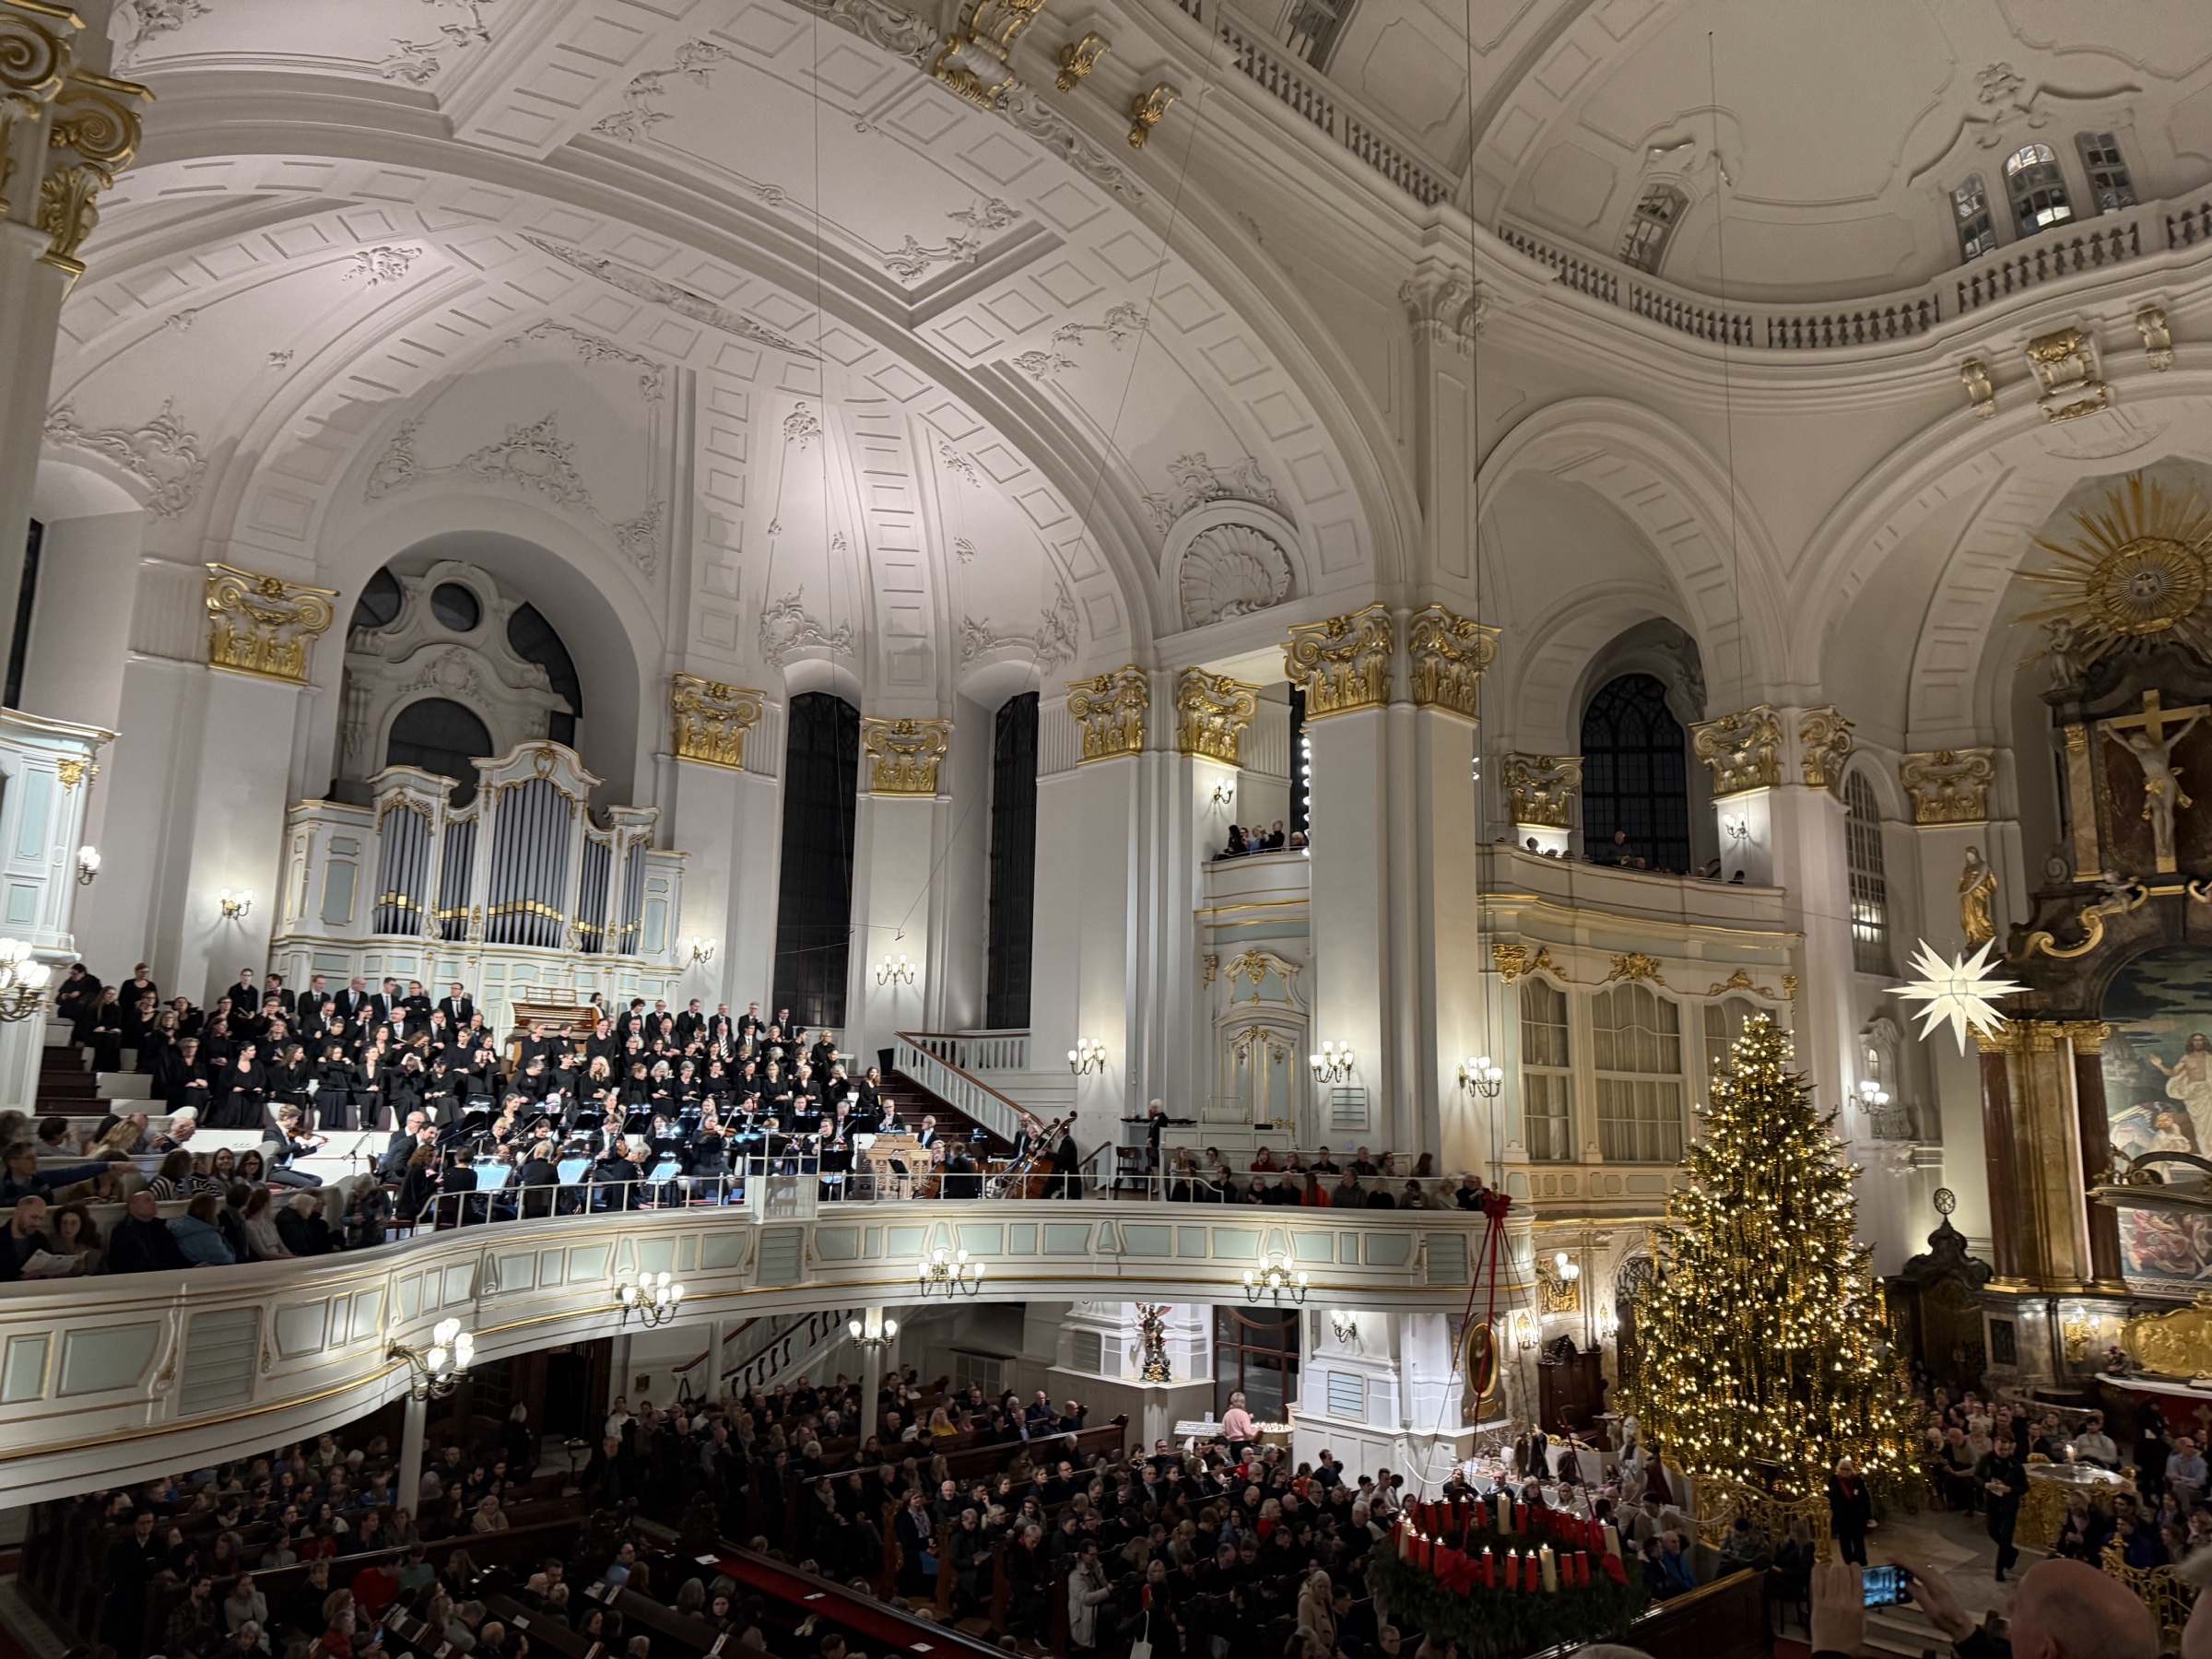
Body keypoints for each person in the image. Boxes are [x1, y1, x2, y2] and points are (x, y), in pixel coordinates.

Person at [1978, 1432, 2026, 1581]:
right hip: (1992, 1501)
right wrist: (1985, 1484)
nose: (2002, 1452)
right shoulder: (1986, 1459)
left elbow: (2024, 1487)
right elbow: (1976, 1476)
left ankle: (1999, 1570)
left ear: (2010, 1448)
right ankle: (2011, 1552)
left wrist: (2010, 1489)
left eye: (2005, 1449)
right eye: (1999, 1448)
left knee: (2006, 1536)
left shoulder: (2016, 1465)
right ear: (1994, 1446)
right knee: (1992, 1531)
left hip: (2009, 1503)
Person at [108, 1188, 191, 1272]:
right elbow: (122, 1264)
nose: (154, 1203)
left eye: (154, 1200)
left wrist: (192, 1266)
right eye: (148, 1200)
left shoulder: (159, 1227)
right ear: (133, 1207)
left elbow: (175, 1255)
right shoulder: (123, 1231)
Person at [1826, 1454, 1871, 1566]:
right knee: (1845, 1541)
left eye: (1847, 1469)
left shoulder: (1857, 1481)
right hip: (1842, 1517)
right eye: (1842, 1469)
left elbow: (1865, 1498)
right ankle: (1849, 1561)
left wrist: (1867, 1515)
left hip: (1856, 1516)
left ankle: (1860, 1561)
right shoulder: (1834, 1481)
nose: (1845, 1472)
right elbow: (1829, 1497)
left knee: (1858, 1540)